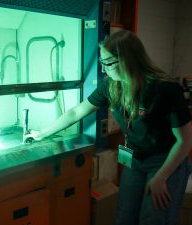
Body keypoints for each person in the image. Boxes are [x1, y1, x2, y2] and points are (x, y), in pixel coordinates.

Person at [25, 30, 192, 225]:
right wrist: (42, 133)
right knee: (124, 218)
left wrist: (162, 177)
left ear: (127, 60)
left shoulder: (164, 89)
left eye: (108, 63)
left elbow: (185, 140)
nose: (104, 69)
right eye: (102, 63)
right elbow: (76, 113)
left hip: (165, 161)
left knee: (153, 219)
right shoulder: (111, 86)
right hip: (135, 160)